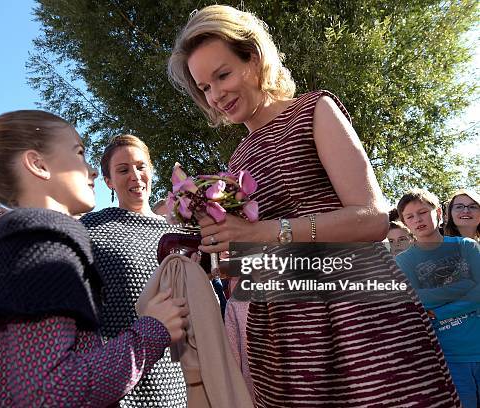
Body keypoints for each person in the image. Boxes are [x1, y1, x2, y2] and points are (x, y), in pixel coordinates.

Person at [168, 5, 460, 406]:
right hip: (286, 336)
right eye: (204, 87)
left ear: (253, 59)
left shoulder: (313, 110)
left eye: (223, 75)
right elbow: (256, 257)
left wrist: (267, 232)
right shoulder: (237, 161)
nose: (216, 95)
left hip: (358, 314)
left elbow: (374, 219)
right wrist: (223, 248)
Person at [0, 111, 189, 407]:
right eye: (79, 154)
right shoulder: (40, 242)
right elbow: (49, 392)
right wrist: (151, 329)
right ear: (38, 165)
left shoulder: (22, 238)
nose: (91, 171)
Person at [81, 134, 187, 407]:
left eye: (140, 167)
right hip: (119, 376)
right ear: (108, 181)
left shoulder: (178, 233)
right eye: (123, 170)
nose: (135, 176)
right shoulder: (91, 229)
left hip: (176, 377)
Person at [396, 188, 480, 408]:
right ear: (405, 223)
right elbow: (418, 300)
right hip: (448, 356)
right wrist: (466, 286)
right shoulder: (404, 260)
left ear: (439, 213)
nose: (418, 219)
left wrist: (439, 311)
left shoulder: (466, 246)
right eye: (410, 216)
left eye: (423, 212)